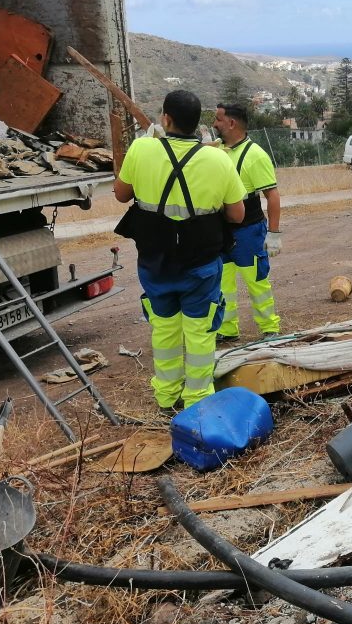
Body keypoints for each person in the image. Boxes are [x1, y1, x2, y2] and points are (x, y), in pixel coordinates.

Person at [113, 90, 245, 411]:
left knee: (164, 326)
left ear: (165, 119)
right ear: (198, 123)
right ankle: (198, 400)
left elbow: (121, 194)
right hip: (200, 260)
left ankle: (166, 396)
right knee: (199, 330)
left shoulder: (142, 148)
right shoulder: (218, 157)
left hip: (155, 259)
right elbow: (237, 215)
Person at [211, 103, 282, 341]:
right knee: (223, 284)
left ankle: (269, 328)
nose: (214, 124)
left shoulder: (256, 156)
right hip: (221, 230)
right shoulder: (217, 150)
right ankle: (227, 330)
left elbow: (272, 196)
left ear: (231, 123)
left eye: (218, 120)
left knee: (257, 282)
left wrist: (273, 234)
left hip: (249, 232)